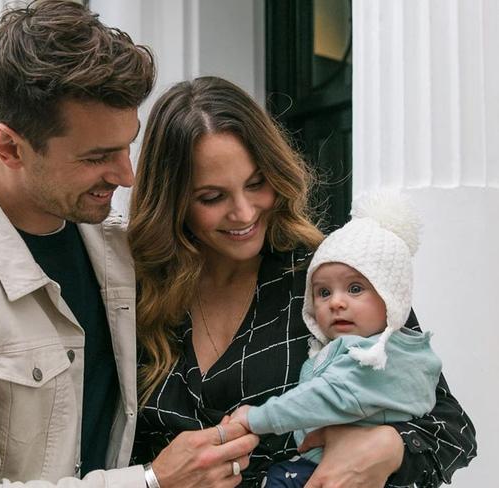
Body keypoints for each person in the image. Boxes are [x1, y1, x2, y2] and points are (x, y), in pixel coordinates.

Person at [0, 3, 257, 487]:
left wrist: (369, 431)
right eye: (97, 157)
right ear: (10, 147)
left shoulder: (116, 243)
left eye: (127, 145)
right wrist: (151, 482)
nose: (126, 175)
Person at [129, 76, 477, 487]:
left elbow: (451, 431)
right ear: (172, 201)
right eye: (212, 197)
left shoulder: (330, 277)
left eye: (256, 184)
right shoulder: (130, 296)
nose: (243, 213)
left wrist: (387, 447)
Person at [229, 192, 443, 487]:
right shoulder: (402, 351)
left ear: (391, 297)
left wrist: (256, 418)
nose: (336, 303)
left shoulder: (372, 358)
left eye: (355, 288)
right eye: (323, 292)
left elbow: (321, 397)